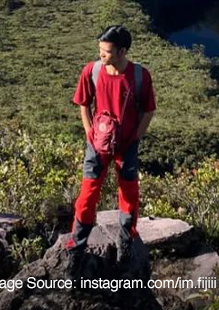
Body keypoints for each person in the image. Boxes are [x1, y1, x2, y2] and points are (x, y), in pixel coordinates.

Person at [64, 24, 156, 270]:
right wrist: (89, 133)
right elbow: (83, 103)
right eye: (100, 50)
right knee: (87, 195)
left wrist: (135, 136)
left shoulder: (139, 76)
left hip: (126, 146)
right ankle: (77, 247)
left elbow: (149, 110)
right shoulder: (91, 71)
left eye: (106, 51)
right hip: (97, 144)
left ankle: (125, 243)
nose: (101, 55)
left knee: (128, 195)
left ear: (122, 51)